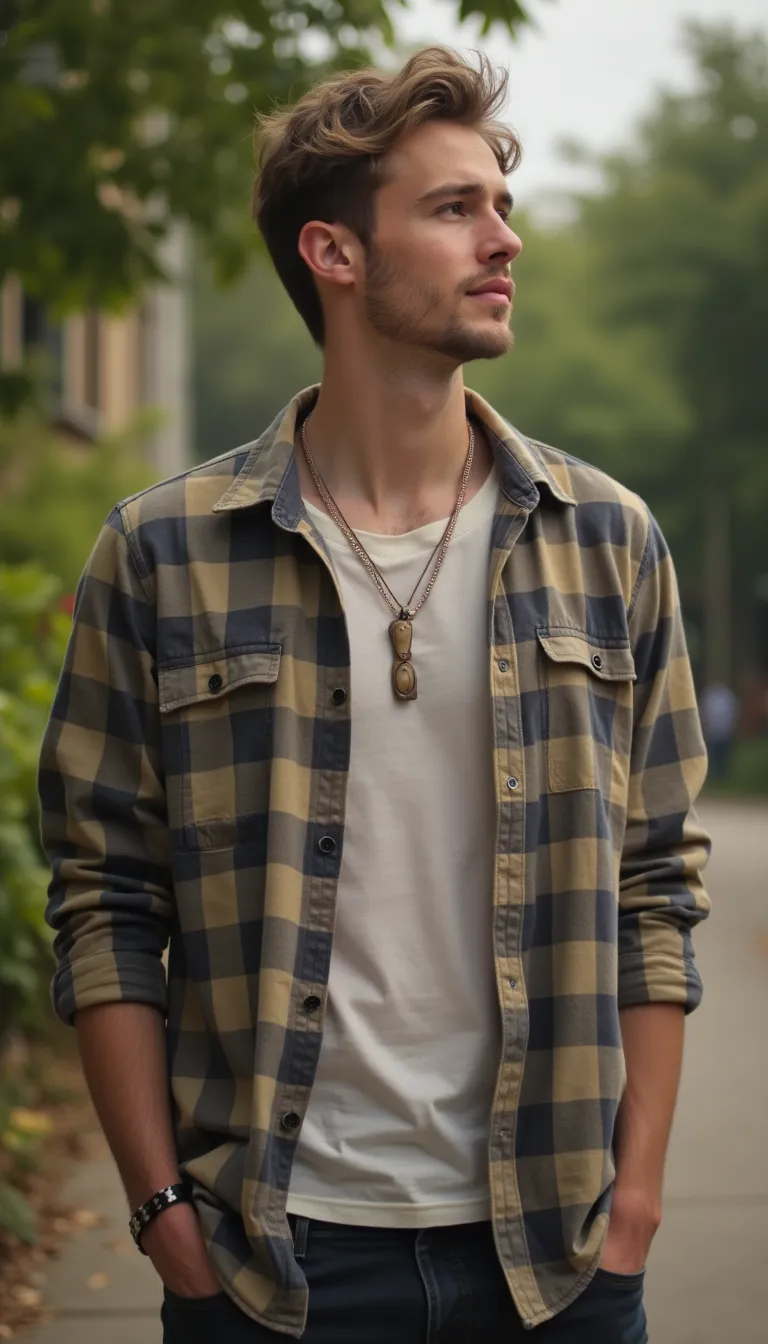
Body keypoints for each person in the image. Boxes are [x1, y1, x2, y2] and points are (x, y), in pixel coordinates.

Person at [38, 46, 712, 1344]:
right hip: (269, 1263)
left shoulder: (608, 541)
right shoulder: (164, 553)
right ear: (333, 255)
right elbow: (105, 893)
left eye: (500, 205)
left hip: (554, 1259)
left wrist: (634, 1203)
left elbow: (656, 886)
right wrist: (161, 1208)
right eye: (455, 209)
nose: (503, 239)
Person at [699, 681, 739, 781]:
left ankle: (722, 776)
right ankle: (712, 776)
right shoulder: (710, 696)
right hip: (712, 731)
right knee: (712, 755)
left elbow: (733, 713)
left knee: (723, 755)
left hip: (724, 731)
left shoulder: (727, 696)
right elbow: (704, 713)